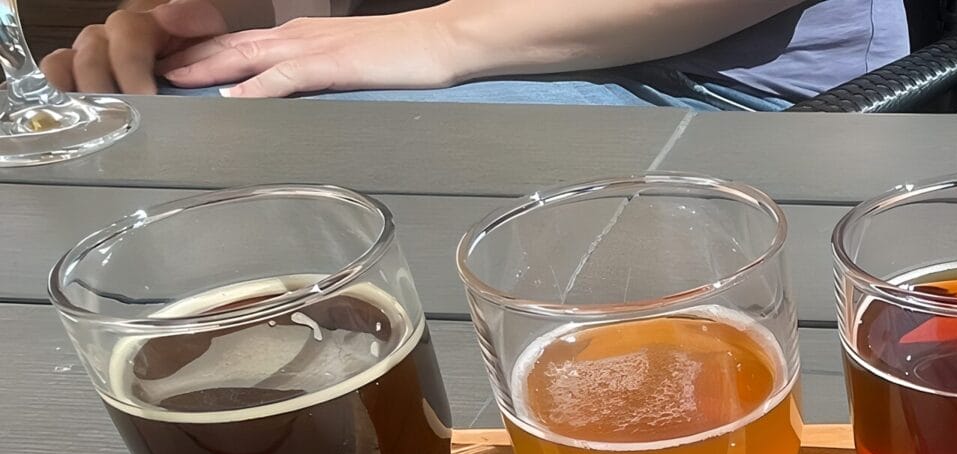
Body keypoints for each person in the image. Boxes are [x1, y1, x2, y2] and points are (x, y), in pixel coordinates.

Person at [39, 0, 908, 109]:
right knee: (153, 112)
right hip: (473, 52)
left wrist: (437, 33)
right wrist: (215, 29)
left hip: (722, 86)